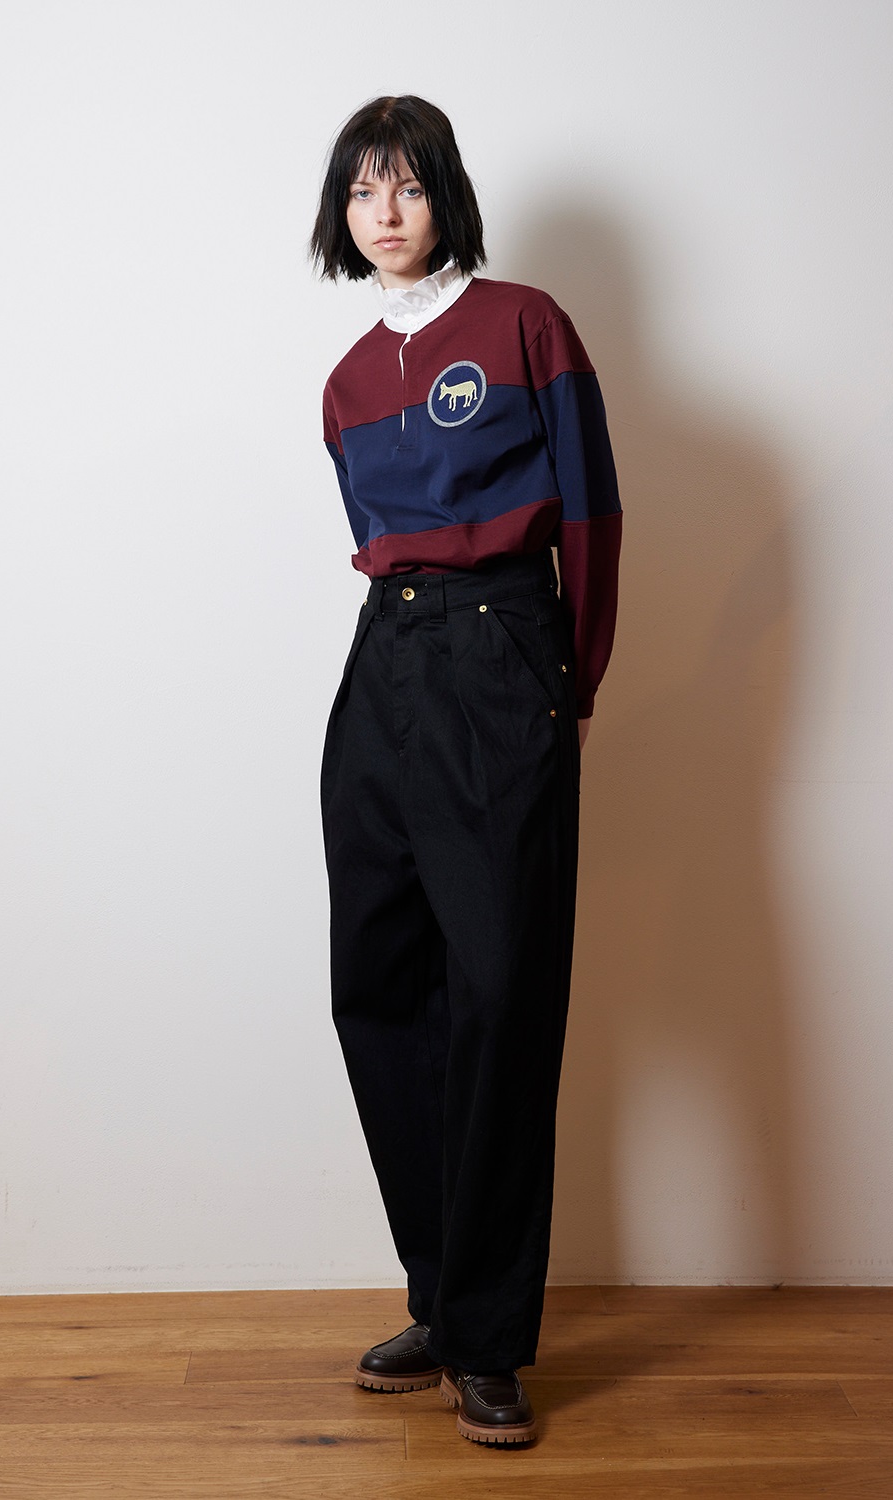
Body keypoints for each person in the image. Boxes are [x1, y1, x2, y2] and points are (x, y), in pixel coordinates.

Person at [310, 95, 622, 1447]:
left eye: (408, 185)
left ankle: (490, 1338)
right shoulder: (342, 383)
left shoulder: (524, 326)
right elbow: (376, 540)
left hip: (501, 654)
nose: (385, 213)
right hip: (382, 664)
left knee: (498, 991)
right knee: (378, 985)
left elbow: (591, 512)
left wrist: (567, 683)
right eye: (361, 191)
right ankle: (441, 1296)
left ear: (447, 196)